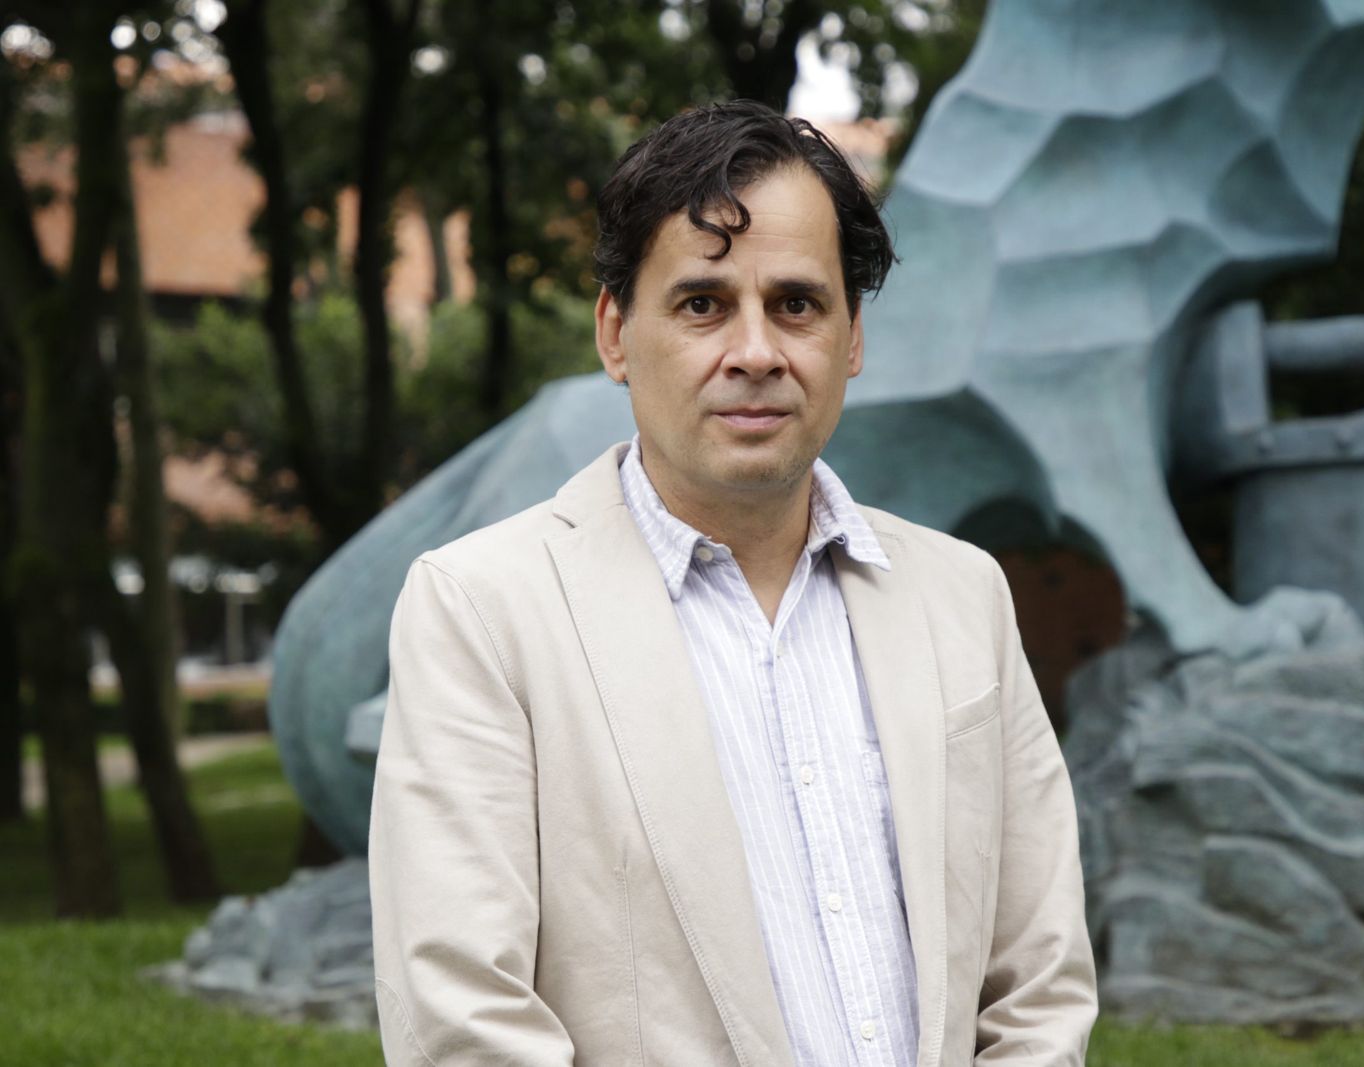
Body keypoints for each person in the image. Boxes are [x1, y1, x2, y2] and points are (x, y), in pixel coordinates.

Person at [369, 99, 1097, 1066]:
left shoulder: (965, 595)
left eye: (796, 304)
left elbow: (1039, 983)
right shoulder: (481, 611)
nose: (756, 352)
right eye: (703, 304)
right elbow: (462, 1019)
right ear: (616, 334)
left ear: (851, 338)